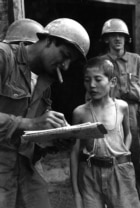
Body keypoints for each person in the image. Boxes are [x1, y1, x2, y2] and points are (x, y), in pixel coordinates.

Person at [0, 18, 90, 208]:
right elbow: (29, 125)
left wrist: (55, 138)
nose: (65, 66)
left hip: (26, 167)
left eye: (70, 62)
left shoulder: (45, 82)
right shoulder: (4, 57)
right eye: (64, 55)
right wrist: (30, 124)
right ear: (48, 40)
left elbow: (31, 136)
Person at [98, 18, 140, 208]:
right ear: (106, 39)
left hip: (134, 114)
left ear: (127, 39)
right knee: (112, 156)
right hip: (109, 114)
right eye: (112, 35)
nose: (117, 39)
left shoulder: (136, 60)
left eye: (121, 35)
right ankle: (116, 199)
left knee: (138, 158)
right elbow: (91, 94)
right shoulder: (100, 62)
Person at [70, 56, 140, 208]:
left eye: (98, 79)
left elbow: (128, 133)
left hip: (120, 173)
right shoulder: (80, 112)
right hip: (90, 174)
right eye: (87, 80)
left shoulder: (121, 106)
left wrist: (123, 153)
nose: (92, 85)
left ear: (112, 82)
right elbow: (75, 151)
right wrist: (76, 192)